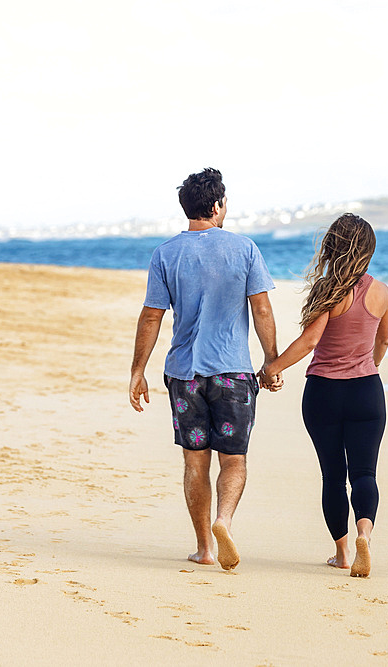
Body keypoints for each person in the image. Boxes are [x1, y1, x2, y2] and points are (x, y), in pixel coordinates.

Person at [128, 168, 282, 571]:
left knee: (195, 463)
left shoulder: (165, 254)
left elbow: (151, 317)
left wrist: (137, 371)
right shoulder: (245, 248)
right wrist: (272, 361)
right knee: (234, 460)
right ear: (216, 206)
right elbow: (261, 308)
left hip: (184, 376)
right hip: (232, 375)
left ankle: (204, 548)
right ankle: (224, 520)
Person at [263, 213, 388, 577]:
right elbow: (382, 340)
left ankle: (343, 553)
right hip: (367, 392)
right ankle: (365, 532)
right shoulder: (381, 292)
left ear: (332, 246)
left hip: (324, 393)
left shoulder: (327, 289)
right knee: (365, 472)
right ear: (367, 250)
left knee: (334, 476)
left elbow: (310, 341)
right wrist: (368, 366)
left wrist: (273, 368)